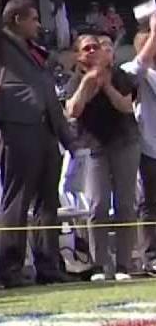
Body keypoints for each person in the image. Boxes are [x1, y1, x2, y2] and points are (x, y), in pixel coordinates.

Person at [0, 0, 74, 288]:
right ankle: (10, 268)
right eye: (33, 18)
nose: (38, 25)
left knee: (48, 200)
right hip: (20, 126)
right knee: (18, 199)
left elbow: (50, 94)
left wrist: (66, 134)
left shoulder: (38, 54)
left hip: (47, 128)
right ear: (16, 19)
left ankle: (49, 265)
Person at [66, 33, 139, 282]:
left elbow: (126, 106)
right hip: (94, 146)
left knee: (125, 204)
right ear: (78, 55)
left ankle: (124, 265)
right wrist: (89, 82)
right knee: (97, 205)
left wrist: (106, 85)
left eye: (96, 47)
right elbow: (73, 110)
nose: (92, 51)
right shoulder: (76, 79)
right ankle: (99, 265)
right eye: (86, 48)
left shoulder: (119, 76)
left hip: (124, 143)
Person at [128, 18, 156, 270]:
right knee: (150, 204)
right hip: (150, 148)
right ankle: (151, 257)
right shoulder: (139, 72)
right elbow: (133, 70)